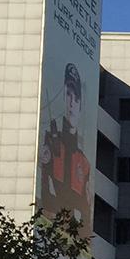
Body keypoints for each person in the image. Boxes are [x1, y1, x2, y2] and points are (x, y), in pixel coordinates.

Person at [39, 62, 91, 224]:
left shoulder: (84, 162)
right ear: (63, 96)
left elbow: (86, 213)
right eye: (68, 94)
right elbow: (44, 191)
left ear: (81, 105)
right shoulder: (51, 141)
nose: (71, 103)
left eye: (76, 98)